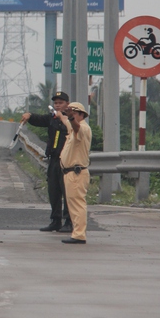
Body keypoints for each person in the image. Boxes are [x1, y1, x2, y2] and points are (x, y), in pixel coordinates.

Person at [20, 91, 71, 233]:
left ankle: (69, 221)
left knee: (67, 192)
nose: (58, 105)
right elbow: (39, 119)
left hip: (67, 161)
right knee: (53, 191)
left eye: (61, 103)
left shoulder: (71, 119)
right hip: (54, 159)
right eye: (56, 103)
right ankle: (55, 221)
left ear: (67, 104)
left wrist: (63, 118)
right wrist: (29, 115)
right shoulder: (52, 118)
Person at [57, 102, 92, 244]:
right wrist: (61, 114)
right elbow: (66, 121)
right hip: (70, 173)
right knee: (73, 204)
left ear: (81, 115)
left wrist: (71, 118)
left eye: (74, 113)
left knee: (77, 204)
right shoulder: (72, 128)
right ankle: (77, 232)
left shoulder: (83, 128)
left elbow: (75, 126)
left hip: (76, 173)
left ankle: (79, 235)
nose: (70, 116)